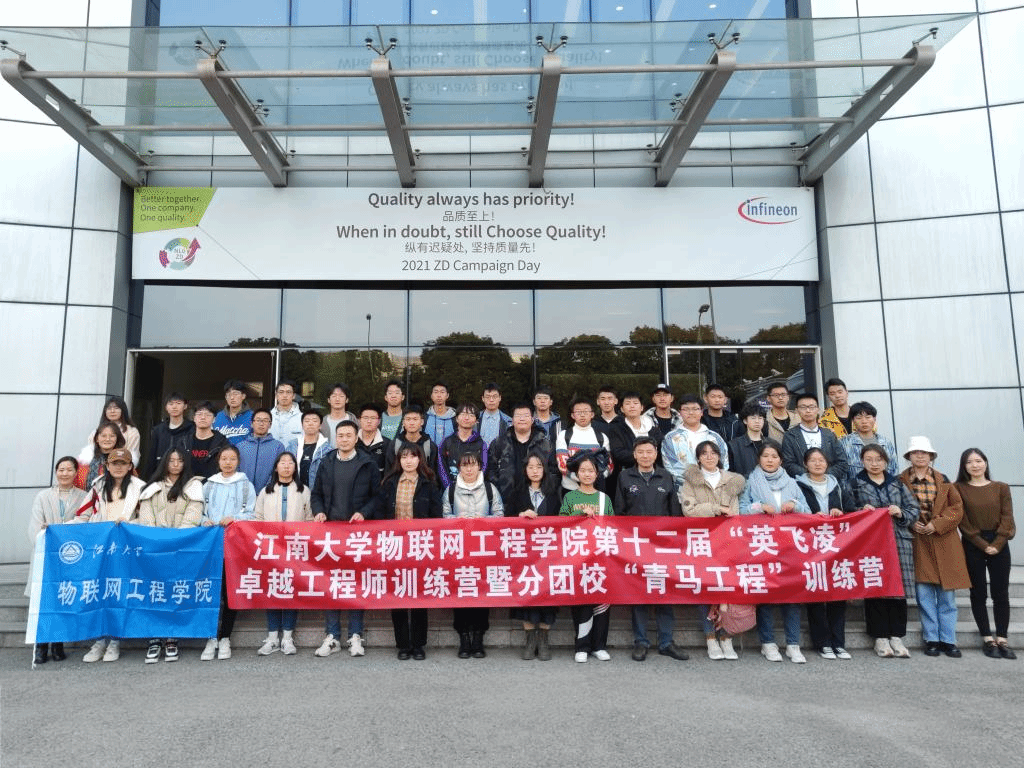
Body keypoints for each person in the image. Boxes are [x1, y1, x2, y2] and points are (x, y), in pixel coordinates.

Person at [311, 420, 381, 659]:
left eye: (348, 435)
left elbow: (377, 496)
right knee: (331, 585)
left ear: (356, 437)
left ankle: (355, 635)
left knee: (355, 584)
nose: (344, 439)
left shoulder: (368, 463)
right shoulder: (326, 462)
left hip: (356, 535)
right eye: (340, 435)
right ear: (335, 438)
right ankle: (332, 635)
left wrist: (364, 513)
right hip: (331, 534)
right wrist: (319, 511)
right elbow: (316, 493)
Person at [738, 441, 810, 663]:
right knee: (765, 596)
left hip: (789, 548)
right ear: (759, 459)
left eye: (774, 456)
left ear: (781, 460)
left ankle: (793, 644)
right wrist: (759, 508)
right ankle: (768, 642)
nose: (770, 460)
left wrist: (795, 506)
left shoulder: (793, 483)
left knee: (792, 595)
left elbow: (807, 511)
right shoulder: (751, 482)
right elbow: (740, 509)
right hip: (762, 546)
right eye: (766, 456)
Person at [899, 437, 969, 658]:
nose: (920, 456)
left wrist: (936, 524)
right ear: (909, 456)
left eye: (924, 452)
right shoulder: (900, 480)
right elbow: (896, 506)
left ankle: (948, 640)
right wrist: (911, 522)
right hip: (917, 540)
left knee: (947, 596)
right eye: (915, 452)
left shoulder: (944, 480)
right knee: (925, 594)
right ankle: (932, 639)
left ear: (931, 456)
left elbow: (957, 508)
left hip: (944, 540)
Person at [618, 436, 685, 661]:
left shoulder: (666, 476)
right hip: (635, 545)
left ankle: (667, 642)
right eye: (641, 452)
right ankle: (641, 641)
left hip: (662, 545)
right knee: (639, 594)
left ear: (656, 454)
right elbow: (620, 511)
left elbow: (674, 512)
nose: (645, 456)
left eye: (649, 452)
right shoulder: (625, 476)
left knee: (665, 593)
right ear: (634, 455)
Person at [851, 444, 919, 659]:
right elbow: (847, 510)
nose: (874, 463)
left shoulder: (897, 483)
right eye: (869, 459)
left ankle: (897, 636)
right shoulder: (855, 483)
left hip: (898, 541)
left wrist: (900, 512)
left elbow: (914, 509)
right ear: (862, 461)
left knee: (898, 589)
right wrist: (861, 511)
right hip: (871, 542)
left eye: (878, 459)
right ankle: (879, 637)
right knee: (875, 587)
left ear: (886, 461)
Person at [138, 447, 205, 664]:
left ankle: (172, 638)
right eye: (171, 460)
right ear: (165, 462)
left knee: (176, 593)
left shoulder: (193, 487)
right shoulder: (152, 488)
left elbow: (193, 517)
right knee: (155, 593)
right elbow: (146, 519)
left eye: (180, 461)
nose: (175, 465)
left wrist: (177, 541)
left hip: (181, 548)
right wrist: (157, 541)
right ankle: (154, 638)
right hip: (155, 549)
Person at [681, 440, 746, 660]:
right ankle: (710, 638)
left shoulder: (733, 480)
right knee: (706, 589)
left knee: (728, 589)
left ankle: (726, 637)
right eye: (704, 453)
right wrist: (716, 509)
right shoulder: (690, 481)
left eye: (713, 453)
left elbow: (735, 511)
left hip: (728, 541)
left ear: (720, 456)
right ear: (698, 458)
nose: (709, 457)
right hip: (702, 542)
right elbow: (689, 510)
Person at [80, 448, 146, 663]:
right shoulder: (98, 486)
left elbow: (146, 518)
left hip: (126, 546)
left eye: (123, 463)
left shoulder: (140, 488)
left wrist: (130, 523)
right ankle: (99, 641)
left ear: (130, 466)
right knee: (100, 592)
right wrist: (58, 529)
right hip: (101, 547)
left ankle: (115, 640)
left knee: (119, 591)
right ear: (107, 466)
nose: (118, 467)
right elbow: (83, 514)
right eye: (114, 463)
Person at [377, 443, 442, 660]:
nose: (408, 461)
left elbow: (437, 517)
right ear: (399, 460)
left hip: (420, 547)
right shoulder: (389, 483)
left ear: (419, 459)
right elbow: (380, 514)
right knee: (398, 596)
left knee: (419, 596)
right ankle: (403, 645)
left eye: (413, 456)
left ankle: (419, 644)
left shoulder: (429, 484)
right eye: (404, 456)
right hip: (395, 547)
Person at [955, 447, 1017, 659]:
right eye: (969, 462)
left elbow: (1007, 517)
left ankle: (1002, 638)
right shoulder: (958, 488)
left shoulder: (1001, 487)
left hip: (1000, 542)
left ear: (986, 463)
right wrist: (983, 545)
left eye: (979, 460)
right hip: (973, 543)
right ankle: (987, 638)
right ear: (964, 467)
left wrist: (997, 544)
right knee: (978, 592)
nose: (975, 465)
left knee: (1001, 593)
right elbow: (963, 521)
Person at [796, 447, 857, 660]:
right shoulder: (798, 485)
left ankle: (838, 642)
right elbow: (796, 511)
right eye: (812, 460)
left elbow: (851, 510)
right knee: (816, 593)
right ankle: (822, 643)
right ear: (805, 464)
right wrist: (812, 516)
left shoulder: (837, 485)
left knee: (837, 594)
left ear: (827, 463)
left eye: (821, 460)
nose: (817, 463)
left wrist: (841, 513)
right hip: (810, 546)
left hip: (836, 546)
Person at [28, 456, 88, 665]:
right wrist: (44, 537)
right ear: (56, 472)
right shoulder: (43, 496)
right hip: (46, 556)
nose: (65, 473)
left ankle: (58, 644)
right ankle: (41, 646)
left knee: (64, 599)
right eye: (61, 469)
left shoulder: (83, 497)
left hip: (71, 556)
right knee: (45, 602)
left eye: (69, 469)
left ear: (76, 473)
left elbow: (85, 523)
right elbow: (35, 525)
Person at [443, 452, 504, 658]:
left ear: (480, 467)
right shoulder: (451, 490)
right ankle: (463, 638)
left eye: (473, 465)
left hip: (483, 551)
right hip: (459, 551)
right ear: (459, 468)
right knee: (460, 594)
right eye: (464, 465)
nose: (469, 469)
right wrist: (459, 521)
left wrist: (482, 521)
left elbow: (500, 515)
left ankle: (478, 638)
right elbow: (444, 516)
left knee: (481, 595)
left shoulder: (490, 489)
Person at [253, 452, 312, 657]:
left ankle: (287, 636)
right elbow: (257, 518)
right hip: (271, 549)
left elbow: (309, 519)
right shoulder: (265, 491)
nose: (286, 466)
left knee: (290, 590)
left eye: (290, 463)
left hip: (295, 549)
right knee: (272, 590)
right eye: (282, 462)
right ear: (276, 467)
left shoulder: (304, 491)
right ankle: (272, 638)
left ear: (295, 467)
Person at [201, 444, 256, 661]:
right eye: (224, 458)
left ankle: (225, 637)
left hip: (234, 545)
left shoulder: (245, 485)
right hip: (211, 544)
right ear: (218, 461)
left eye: (232, 459)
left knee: (229, 591)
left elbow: (252, 513)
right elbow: (199, 511)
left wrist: (235, 518)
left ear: (238, 461)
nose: (228, 462)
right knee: (211, 592)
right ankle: (210, 637)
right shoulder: (209, 485)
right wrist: (204, 520)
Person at [559, 454, 613, 663]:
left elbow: (613, 527)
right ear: (576, 474)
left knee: (602, 601)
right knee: (581, 602)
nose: (587, 474)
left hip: (601, 557)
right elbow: (561, 525)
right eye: (583, 471)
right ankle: (581, 646)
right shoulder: (570, 498)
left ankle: (599, 646)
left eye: (591, 471)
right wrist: (580, 516)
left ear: (597, 474)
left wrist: (596, 519)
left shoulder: (604, 498)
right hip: (578, 557)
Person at [511, 453, 560, 661]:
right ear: (525, 470)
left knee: (548, 595)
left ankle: (544, 639)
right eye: (530, 467)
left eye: (539, 466)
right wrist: (520, 516)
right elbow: (506, 519)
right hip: (524, 553)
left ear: (545, 469)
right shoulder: (517, 492)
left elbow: (562, 520)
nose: (535, 470)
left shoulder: (554, 492)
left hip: (549, 553)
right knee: (527, 593)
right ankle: (530, 640)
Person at [487, 402, 552, 509]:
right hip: (505, 500)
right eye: (518, 416)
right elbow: (490, 469)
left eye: (526, 415)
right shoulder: (499, 442)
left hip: (537, 499)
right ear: (512, 420)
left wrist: (546, 489)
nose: (522, 419)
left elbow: (552, 470)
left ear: (532, 420)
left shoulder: (544, 443)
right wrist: (499, 488)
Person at [661, 394, 729, 490]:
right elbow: (671, 466)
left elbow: (723, 462)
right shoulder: (670, 438)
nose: (691, 412)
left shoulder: (714, 437)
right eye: (686, 409)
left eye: (695, 409)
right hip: (684, 490)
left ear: (702, 412)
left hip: (713, 489)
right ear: (680, 413)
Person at [608, 391, 663, 505]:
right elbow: (618, 453)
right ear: (622, 409)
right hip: (628, 476)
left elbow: (660, 451)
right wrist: (644, 459)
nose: (632, 406)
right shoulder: (616, 428)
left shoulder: (653, 428)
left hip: (653, 476)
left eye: (635, 403)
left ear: (642, 407)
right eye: (628, 403)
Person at [780, 393, 848, 481]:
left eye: (812, 407)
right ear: (796, 410)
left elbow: (842, 462)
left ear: (818, 410)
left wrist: (823, 476)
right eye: (803, 407)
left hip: (829, 483)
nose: (808, 411)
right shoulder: (790, 435)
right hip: (801, 484)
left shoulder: (829, 434)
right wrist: (811, 476)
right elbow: (788, 463)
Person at [554, 398, 613, 494]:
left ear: (592, 414)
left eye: (586, 411)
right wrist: (582, 479)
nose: (582, 415)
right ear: (572, 415)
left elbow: (609, 465)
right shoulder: (564, 435)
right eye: (578, 412)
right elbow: (562, 464)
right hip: (570, 489)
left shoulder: (601, 437)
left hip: (595, 489)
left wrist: (593, 479)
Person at [840, 401, 898, 484]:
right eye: (859, 418)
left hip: (884, 488)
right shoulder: (844, 443)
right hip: (856, 489)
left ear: (874, 419)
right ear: (853, 420)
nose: (864, 421)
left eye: (868, 417)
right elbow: (842, 474)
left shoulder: (885, 443)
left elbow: (894, 469)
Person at [438, 402, 489, 489]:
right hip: (451, 490)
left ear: (476, 421)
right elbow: (442, 468)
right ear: (456, 418)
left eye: (471, 415)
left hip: (475, 489)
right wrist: (450, 489)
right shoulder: (447, 442)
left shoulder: (481, 444)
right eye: (463, 414)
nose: (466, 418)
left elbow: (483, 468)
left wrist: (474, 487)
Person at [145, 392, 194, 477]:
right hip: (161, 476)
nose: (174, 407)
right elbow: (151, 457)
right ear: (166, 407)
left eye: (178, 403)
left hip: (185, 476)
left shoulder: (192, 429)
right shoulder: (158, 430)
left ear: (185, 406)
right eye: (171, 404)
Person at [238, 408, 286, 492]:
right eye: (258, 420)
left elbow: (279, 471)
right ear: (252, 423)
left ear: (270, 425)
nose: (261, 423)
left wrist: (267, 489)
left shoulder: (278, 447)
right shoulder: (240, 446)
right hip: (243, 492)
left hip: (269, 492)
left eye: (265, 420)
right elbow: (236, 471)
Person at [181, 400, 229, 481]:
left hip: (213, 485)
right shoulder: (184, 442)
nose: (203, 417)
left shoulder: (222, 443)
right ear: (194, 418)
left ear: (214, 419)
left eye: (207, 415)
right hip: (187, 485)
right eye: (199, 414)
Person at [86, 396, 141, 465]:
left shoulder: (132, 432)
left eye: (116, 408)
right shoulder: (95, 432)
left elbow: (132, 455)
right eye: (109, 408)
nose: (112, 411)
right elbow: (91, 452)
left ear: (123, 411)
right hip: (98, 466)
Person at [388, 405, 438, 475]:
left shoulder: (430, 446)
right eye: (408, 419)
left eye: (415, 419)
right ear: (403, 422)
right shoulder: (395, 445)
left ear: (422, 422)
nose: (411, 423)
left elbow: (433, 474)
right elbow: (389, 472)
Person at [75, 421, 126, 489]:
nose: (107, 439)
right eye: (103, 436)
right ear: (97, 439)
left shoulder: (125, 461)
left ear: (117, 439)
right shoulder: (83, 461)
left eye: (112, 436)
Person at [286, 410, 329, 488]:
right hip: (295, 490)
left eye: (314, 421)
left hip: (318, 492)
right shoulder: (292, 446)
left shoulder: (327, 449)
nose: (310, 423)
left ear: (320, 425)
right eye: (307, 421)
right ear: (302, 425)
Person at [728, 403, 766, 478]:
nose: (757, 421)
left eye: (760, 418)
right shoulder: (734, 445)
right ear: (745, 421)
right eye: (753, 418)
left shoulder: (771, 444)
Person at [355, 403, 392, 473]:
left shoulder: (387, 444)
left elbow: (390, 470)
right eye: (365, 418)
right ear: (359, 420)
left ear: (379, 421)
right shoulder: (353, 441)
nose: (369, 421)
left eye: (373, 418)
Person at [214, 379, 253, 445]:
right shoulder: (218, 417)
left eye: (235, 394)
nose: (232, 397)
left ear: (243, 396)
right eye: (229, 394)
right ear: (226, 397)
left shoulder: (252, 416)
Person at [268, 378, 303, 445]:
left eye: (288, 392)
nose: (284, 395)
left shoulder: (302, 418)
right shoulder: (267, 417)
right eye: (281, 392)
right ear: (276, 395)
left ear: (293, 396)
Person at [425, 380, 456, 446]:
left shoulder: (455, 418)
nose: (439, 395)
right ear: (431, 395)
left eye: (442, 392)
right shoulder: (425, 417)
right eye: (436, 392)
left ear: (447, 395)